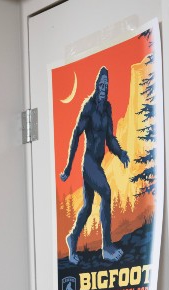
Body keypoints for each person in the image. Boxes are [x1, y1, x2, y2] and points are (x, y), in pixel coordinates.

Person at [60, 66, 130, 264]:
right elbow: (76, 134)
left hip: (96, 164)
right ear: (96, 85)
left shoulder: (107, 108)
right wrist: (68, 167)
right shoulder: (89, 107)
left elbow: (109, 137)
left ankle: (72, 237)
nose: (103, 88)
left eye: (106, 86)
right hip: (89, 163)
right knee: (106, 193)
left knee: (88, 206)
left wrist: (121, 152)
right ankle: (106, 247)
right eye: (101, 84)